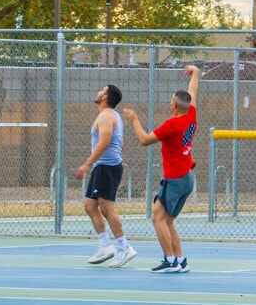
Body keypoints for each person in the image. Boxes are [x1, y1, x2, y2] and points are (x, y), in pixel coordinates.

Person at [122, 65, 200, 273]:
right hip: (187, 178)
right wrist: (196, 73)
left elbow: (144, 140)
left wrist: (134, 119)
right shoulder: (191, 114)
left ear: (173, 104)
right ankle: (181, 261)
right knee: (167, 221)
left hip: (174, 179)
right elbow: (192, 91)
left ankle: (170, 260)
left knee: (157, 218)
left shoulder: (171, 125)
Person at [76, 84, 137, 268]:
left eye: (102, 90)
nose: (98, 91)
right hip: (103, 167)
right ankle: (105, 245)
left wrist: (86, 164)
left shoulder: (106, 116)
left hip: (106, 168)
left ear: (106, 97)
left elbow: (104, 142)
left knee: (107, 209)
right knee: (90, 205)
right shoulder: (112, 116)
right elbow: (120, 143)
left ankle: (124, 247)